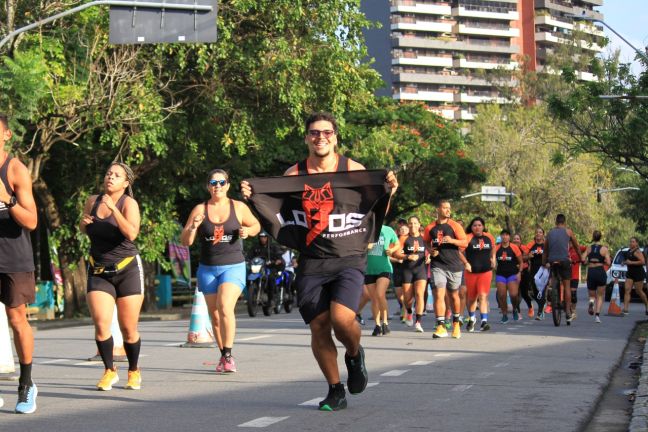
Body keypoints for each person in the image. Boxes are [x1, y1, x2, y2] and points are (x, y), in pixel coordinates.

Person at [241, 111, 398, 411]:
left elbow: (376, 206)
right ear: (306, 138)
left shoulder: (353, 169)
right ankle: (335, 389)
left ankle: (354, 353)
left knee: (341, 319)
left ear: (336, 137)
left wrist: (388, 187)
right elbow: (277, 212)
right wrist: (254, 196)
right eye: (314, 133)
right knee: (319, 326)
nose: (320, 137)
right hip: (312, 261)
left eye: (326, 132)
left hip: (349, 258)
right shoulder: (294, 175)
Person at [181, 169, 260, 373]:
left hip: (233, 265)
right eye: (213, 182)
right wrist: (193, 227)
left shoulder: (238, 207)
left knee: (225, 306)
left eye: (221, 182)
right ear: (208, 186)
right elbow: (185, 241)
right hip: (207, 268)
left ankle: (228, 354)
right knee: (214, 316)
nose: (217, 186)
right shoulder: (200, 209)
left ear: (228, 185)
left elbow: (256, 225)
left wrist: (248, 231)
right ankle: (224, 355)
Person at [80, 162, 144, 392]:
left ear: (126, 183)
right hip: (98, 270)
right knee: (101, 325)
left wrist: (114, 209)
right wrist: (84, 224)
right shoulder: (92, 201)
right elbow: (85, 227)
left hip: (127, 269)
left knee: (128, 328)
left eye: (116, 175)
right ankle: (109, 370)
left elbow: (132, 233)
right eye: (108, 173)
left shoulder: (129, 203)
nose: (110, 177)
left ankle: (134, 370)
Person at [0, 114, 38, 413]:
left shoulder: (15, 169)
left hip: (13, 255)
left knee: (16, 320)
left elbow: (32, 220)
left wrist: (7, 199)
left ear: (7, 135)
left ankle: (26, 384)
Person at [423, 200, 468, 339]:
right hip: (438, 265)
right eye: (445, 208)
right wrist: (430, 250)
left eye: (449, 208)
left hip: (454, 265)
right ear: (438, 209)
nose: (448, 210)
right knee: (439, 294)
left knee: (453, 295)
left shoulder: (454, 225)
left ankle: (455, 324)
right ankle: (441, 326)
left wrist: (452, 241)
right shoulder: (430, 227)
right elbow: (425, 240)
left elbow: (465, 242)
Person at [542, 214, 581, 324]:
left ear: (556, 222)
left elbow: (545, 250)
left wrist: (544, 262)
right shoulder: (568, 232)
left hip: (552, 260)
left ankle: (553, 289)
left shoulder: (549, 233)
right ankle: (568, 312)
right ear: (564, 222)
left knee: (554, 277)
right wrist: (581, 257)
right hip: (564, 261)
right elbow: (577, 246)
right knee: (567, 285)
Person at [393, 216, 428, 332]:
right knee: (408, 299)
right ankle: (409, 311)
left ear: (419, 225)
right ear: (408, 226)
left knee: (419, 294)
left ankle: (418, 322)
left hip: (421, 270)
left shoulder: (424, 239)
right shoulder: (404, 239)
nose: (413, 225)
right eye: (410, 223)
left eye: (415, 223)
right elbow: (396, 254)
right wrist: (408, 256)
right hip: (407, 270)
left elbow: (430, 251)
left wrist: (430, 257)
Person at [365, 224, 400, 336]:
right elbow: (356, 246)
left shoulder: (387, 230)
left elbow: (397, 243)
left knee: (380, 294)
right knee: (374, 298)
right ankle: (377, 325)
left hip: (384, 267)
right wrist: (366, 246)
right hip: (369, 269)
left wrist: (391, 250)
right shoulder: (366, 228)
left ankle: (385, 322)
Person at [463, 217, 496, 332]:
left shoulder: (489, 237)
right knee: (472, 298)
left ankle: (484, 322)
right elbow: (459, 252)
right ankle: (472, 318)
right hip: (471, 273)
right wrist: (466, 263)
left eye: (479, 225)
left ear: (483, 226)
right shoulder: (467, 238)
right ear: (471, 227)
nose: (477, 227)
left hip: (486, 272)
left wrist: (493, 259)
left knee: (482, 296)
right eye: (474, 225)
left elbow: (493, 248)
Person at [495, 230, 523, 323]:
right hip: (500, 274)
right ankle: (504, 314)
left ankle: (515, 309)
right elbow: (492, 259)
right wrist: (492, 264)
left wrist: (519, 273)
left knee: (513, 295)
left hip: (512, 274)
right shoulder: (497, 248)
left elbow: (521, 262)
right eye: (503, 235)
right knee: (502, 296)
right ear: (501, 236)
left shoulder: (514, 247)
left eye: (506, 235)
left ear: (509, 237)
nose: (504, 237)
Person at [582, 230, 611, 323]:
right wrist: (603, 261)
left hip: (591, 272)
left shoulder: (589, 248)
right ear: (600, 237)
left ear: (593, 237)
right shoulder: (604, 249)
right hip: (600, 272)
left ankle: (591, 302)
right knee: (600, 295)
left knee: (592, 295)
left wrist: (587, 261)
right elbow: (609, 262)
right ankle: (597, 316)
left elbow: (583, 259)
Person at [621, 237, 648, 315]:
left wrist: (631, 263)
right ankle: (625, 310)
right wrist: (624, 262)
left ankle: (647, 306)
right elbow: (628, 261)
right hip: (630, 273)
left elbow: (642, 262)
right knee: (627, 290)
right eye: (630, 241)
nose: (631, 243)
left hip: (638, 273)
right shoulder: (629, 251)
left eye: (633, 242)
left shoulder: (637, 251)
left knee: (638, 291)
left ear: (636, 243)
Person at [526, 228, 546, 320]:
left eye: (540, 232)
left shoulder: (546, 244)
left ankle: (540, 312)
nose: (538, 234)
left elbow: (551, 254)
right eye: (537, 232)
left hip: (544, 269)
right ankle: (542, 303)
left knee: (542, 290)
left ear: (543, 235)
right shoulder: (531, 245)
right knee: (534, 292)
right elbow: (523, 256)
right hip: (533, 270)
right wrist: (528, 256)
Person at [512, 233, 533, 318]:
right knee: (515, 293)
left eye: (518, 239)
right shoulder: (510, 248)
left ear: (520, 240)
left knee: (524, 293)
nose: (516, 240)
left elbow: (528, 257)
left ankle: (530, 307)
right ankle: (518, 312)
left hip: (524, 272)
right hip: (514, 272)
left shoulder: (524, 248)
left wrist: (525, 258)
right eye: (515, 239)